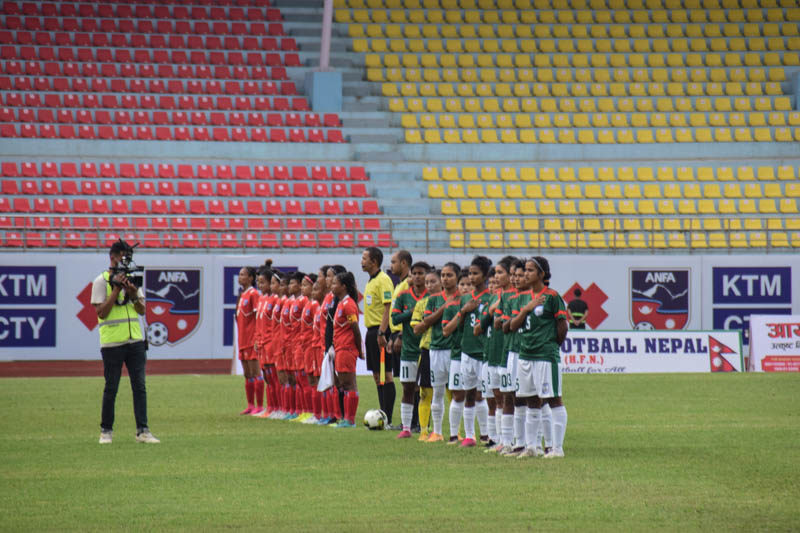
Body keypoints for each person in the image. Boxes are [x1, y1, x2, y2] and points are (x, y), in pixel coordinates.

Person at [92, 240, 158, 444]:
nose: (126, 260)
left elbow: (142, 310)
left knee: (140, 386)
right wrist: (115, 291)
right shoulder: (101, 281)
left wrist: (131, 294)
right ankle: (106, 431)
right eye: (123, 256)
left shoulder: (132, 280)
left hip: (135, 341)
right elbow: (101, 313)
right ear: (112, 257)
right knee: (111, 387)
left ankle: (143, 430)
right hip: (112, 343)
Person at [509, 257, 569, 459]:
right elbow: (513, 326)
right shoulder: (523, 298)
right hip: (525, 355)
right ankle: (532, 446)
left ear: (542, 274)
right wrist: (527, 309)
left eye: (530, 270)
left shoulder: (552, 296)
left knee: (553, 399)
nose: (525, 273)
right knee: (530, 401)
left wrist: (551, 346)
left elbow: (562, 325)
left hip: (545, 356)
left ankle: (557, 448)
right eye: (525, 270)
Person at [443, 256, 494, 448]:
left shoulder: (491, 298)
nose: (472, 277)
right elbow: (458, 326)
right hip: (467, 352)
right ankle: (470, 436)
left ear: (486, 275)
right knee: (469, 394)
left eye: (475, 273)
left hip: (484, 353)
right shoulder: (464, 299)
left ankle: (488, 434)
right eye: (470, 273)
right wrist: (463, 312)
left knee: (486, 396)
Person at [416, 262, 461, 443]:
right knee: (438, 391)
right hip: (436, 350)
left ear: (457, 277)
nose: (445, 278)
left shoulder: (463, 298)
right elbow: (427, 321)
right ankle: (436, 432)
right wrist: (444, 307)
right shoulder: (434, 299)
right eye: (443, 275)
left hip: (456, 350)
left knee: (457, 392)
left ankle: (455, 432)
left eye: (449, 275)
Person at [391, 261, 430, 439]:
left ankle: (425, 427)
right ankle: (406, 427)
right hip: (408, 349)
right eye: (414, 273)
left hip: (427, 349)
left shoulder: (432, 296)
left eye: (421, 273)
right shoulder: (403, 296)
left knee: (426, 390)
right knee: (407, 388)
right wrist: (412, 312)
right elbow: (395, 318)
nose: (417, 276)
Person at [361, 247, 397, 428]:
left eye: (364, 258)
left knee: (386, 375)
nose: (362, 261)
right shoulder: (370, 281)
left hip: (380, 332)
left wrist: (383, 332)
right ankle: (382, 415)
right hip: (371, 332)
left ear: (374, 261)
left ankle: (387, 418)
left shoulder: (384, 280)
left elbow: (387, 308)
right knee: (377, 376)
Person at [411, 268, 442, 441]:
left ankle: (456, 432)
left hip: (448, 349)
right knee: (425, 392)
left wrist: (427, 322)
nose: (429, 285)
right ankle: (424, 431)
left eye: (433, 282)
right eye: (427, 282)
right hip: (428, 350)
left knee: (453, 392)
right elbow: (416, 328)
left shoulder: (452, 301)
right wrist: (431, 320)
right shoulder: (422, 303)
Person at [330, 271, 364, 428]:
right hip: (341, 348)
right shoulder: (341, 303)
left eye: (335, 283)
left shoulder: (348, 304)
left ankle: (350, 420)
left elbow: (356, 329)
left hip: (347, 348)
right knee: (345, 384)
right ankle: (347, 419)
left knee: (349, 384)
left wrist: (359, 349)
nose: (332, 286)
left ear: (343, 286)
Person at [387, 250, 412, 426]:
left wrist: (401, 335)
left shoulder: (409, 284)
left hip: (405, 335)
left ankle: (415, 423)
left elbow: (412, 312)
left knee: (411, 382)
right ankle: (409, 422)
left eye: (394, 262)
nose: (391, 266)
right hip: (395, 333)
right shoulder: (399, 284)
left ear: (404, 263)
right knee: (405, 381)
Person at [236, 266, 262, 416]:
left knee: (255, 372)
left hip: (252, 339)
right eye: (239, 275)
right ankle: (250, 405)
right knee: (247, 374)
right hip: (243, 339)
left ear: (251, 278)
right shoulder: (243, 294)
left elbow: (258, 318)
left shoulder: (253, 294)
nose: (240, 277)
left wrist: (257, 337)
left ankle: (259, 405)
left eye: (243, 275)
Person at [254, 263, 275, 417]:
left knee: (273, 376)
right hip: (261, 342)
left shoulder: (274, 300)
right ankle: (271, 407)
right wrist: (256, 338)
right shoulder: (261, 299)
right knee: (267, 376)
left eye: (263, 282)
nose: (260, 285)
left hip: (270, 342)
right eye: (258, 282)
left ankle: (278, 407)